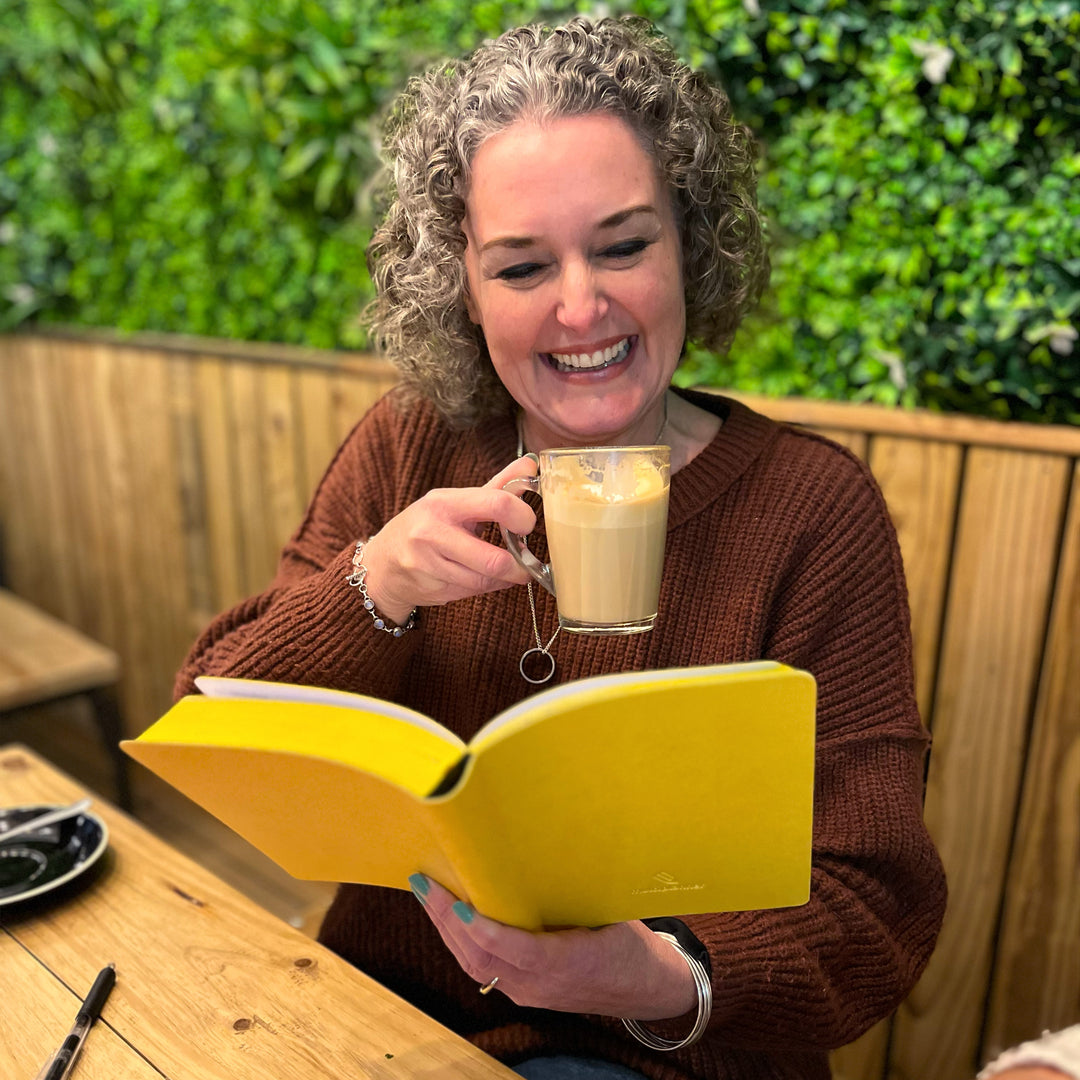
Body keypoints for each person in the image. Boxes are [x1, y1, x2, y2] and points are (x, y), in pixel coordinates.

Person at [174, 16, 946, 1080]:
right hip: (380, 1023)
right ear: (465, 287)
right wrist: (377, 585)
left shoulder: (811, 510)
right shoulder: (411, 447)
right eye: (523, 265)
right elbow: (219, 719)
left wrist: (665, 975)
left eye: (624, 245)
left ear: (693, 243)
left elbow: (876, 901)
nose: (581, 306)